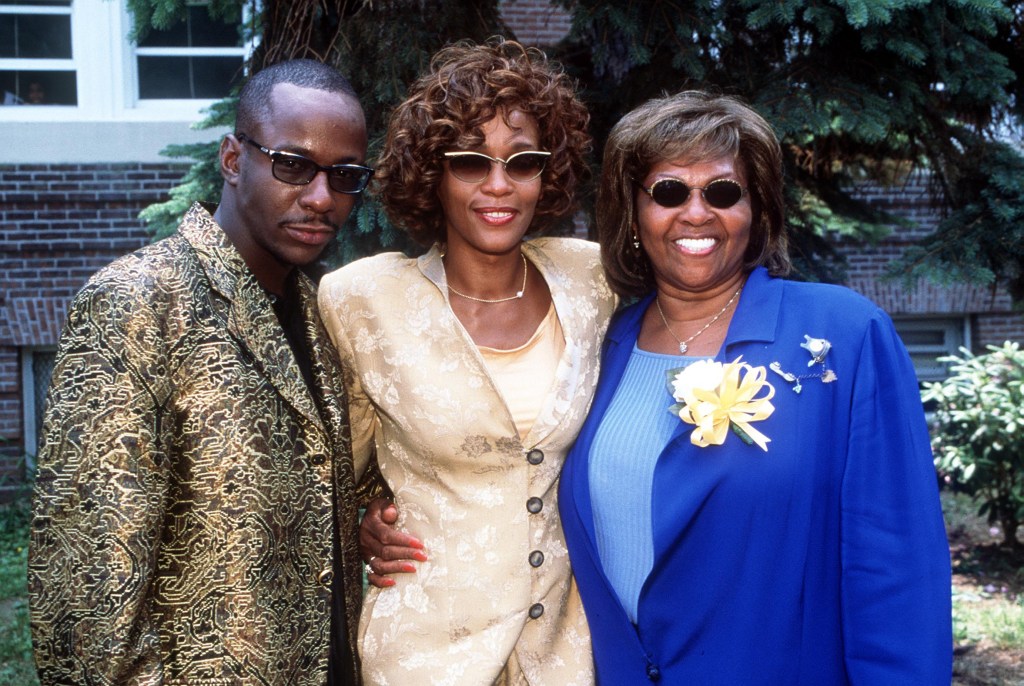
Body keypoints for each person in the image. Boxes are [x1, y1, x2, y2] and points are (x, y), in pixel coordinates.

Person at [558, 91, 953, 684]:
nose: (696, 213)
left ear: (757, 210)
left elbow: (896, 567)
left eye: (722, 191)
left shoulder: (842, 336)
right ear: (632, 212)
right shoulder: (596, 346)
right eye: (668, 191)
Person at [29, 59, 374, 685]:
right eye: (292, 164)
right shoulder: (137, 302)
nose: (322, 197)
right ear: (233, 159)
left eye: (344, 176)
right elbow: (85, 598)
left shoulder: (326, 308)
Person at [318, 38, 617, 685]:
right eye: (470, 163)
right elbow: (333, 474)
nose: (499, 186)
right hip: (425, 657)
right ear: (433, 171)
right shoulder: (363, 300)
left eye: (523, 162)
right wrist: (372, 518)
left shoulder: (592, 280)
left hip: (565, 657)